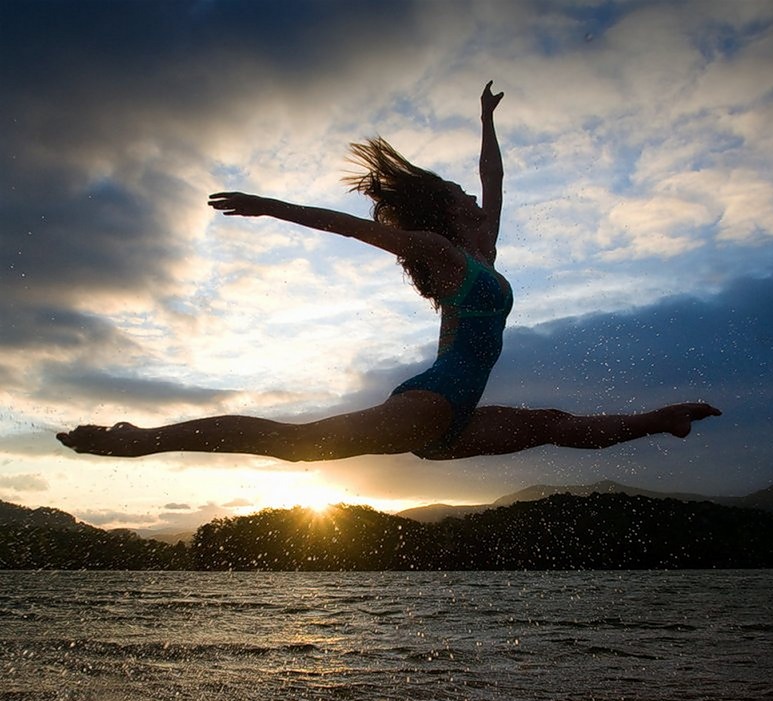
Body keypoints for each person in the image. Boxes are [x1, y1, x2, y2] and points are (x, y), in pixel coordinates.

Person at [57, 82, 720, 462]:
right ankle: (141, 440)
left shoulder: (481, 248)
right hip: (432, 401)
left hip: (453, 417)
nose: (474, 195)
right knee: (298, 445)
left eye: (468, 193)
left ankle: (665, 419)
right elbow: (351, 227)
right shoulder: (442, 251)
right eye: (461, 192)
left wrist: (485, 120)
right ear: (445, 212)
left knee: (556, 424)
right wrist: (271, 207)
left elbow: (495, 177)